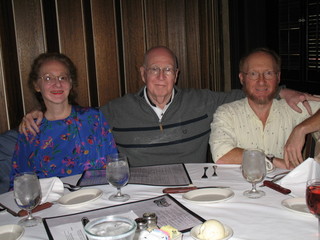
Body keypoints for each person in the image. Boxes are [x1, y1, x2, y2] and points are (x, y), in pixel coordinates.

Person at [20, 46, 319, 167]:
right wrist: (40, 113)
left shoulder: (203, 102)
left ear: (177, 75)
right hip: (138, 195)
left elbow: (256, 89)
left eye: (168, 70)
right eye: (154, 70)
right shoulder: (115, 110)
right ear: (142, 74)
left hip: (191, 191)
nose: (161, 77)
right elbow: (79, 119)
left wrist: (283, 91)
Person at [10, 53, 117, 184]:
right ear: (37, 85)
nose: (57, 84)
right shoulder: (31, 129)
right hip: (51, 203)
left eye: (63, 77)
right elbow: (20, 181)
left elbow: (113, 165)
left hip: (97, 197)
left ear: (71, 83)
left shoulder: (93, 118)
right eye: (48, 78)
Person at [209, 48, 320, 169]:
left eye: (268, 73)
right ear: (242, 78)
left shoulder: (294, 108)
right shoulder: (227, 113)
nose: (261, 81)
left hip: (287, 187)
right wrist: (272, 161)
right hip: (242, 187)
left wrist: (301, 129)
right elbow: (222, 154)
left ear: (278, 77)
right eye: (253, 74)